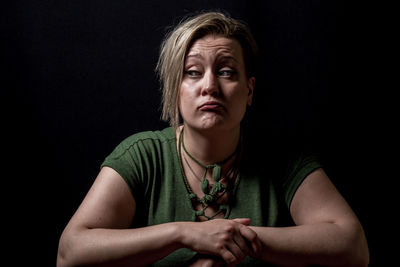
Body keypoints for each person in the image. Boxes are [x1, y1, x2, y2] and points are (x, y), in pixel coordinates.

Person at [57, 12, 369, 267]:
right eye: (193, 72)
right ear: (175, 88)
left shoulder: (283, 160)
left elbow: (353, 246)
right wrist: (184, 234)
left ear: (249, 90)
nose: (210, 86)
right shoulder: (142, 155)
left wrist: (234, 239)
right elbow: (70, 253)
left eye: (227, 72)